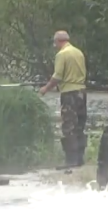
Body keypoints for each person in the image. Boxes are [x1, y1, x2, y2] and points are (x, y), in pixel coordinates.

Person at [38, 30, 88, 168]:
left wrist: (45, 89)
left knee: (68, 126)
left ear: (58, 41)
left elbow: (58, 76)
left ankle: (71, 161)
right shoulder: (79, 52)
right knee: (80, 126)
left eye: (55, 43)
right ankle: (79, 159)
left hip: (69, 93)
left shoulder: (62, 54)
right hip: (82, 92)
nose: (55, 45)